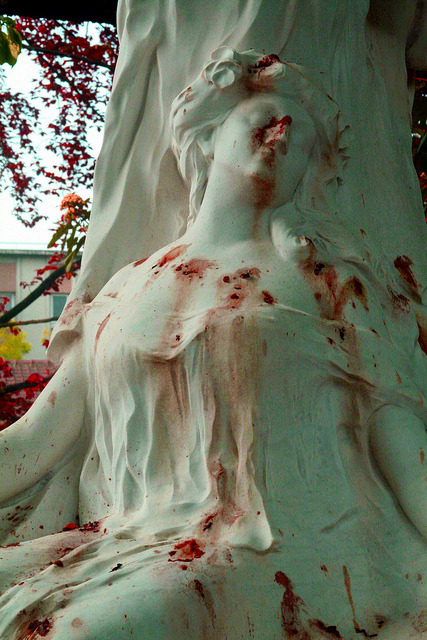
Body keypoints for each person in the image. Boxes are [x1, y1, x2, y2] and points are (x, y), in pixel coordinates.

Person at [0, 48, 425, 639]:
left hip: (277, 547)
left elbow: (395, 431)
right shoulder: (128, 287)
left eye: (300, 136)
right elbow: (39, 438)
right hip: (122, 541)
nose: (281, 135)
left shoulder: (326, 280)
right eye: (264, 118)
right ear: (207, 136)